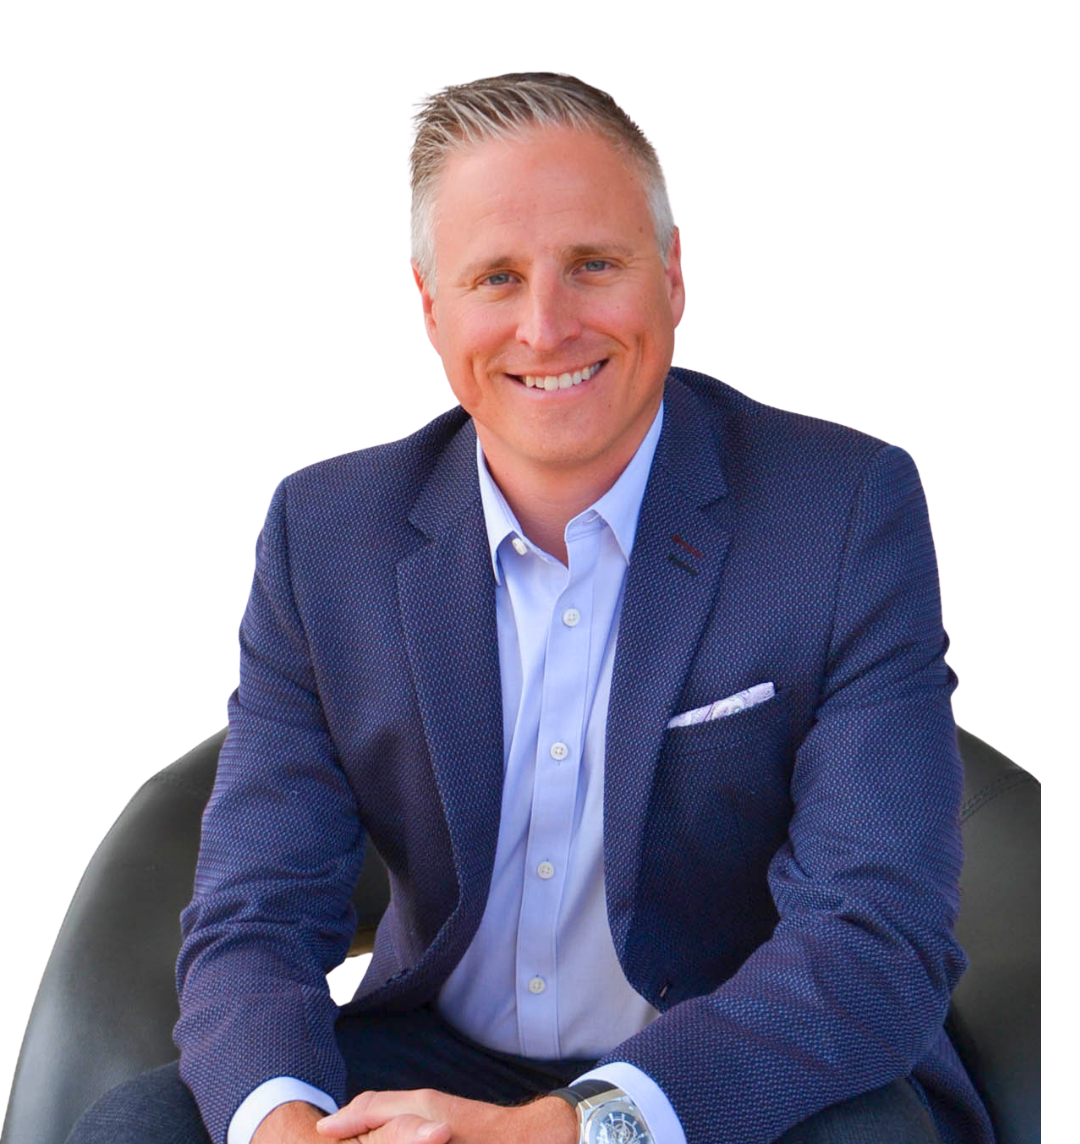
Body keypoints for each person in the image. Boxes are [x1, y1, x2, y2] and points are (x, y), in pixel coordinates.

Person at [69, 71, 996, 1144]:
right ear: (431, 306)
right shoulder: (322, 534)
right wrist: (288, 1129)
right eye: (496, 277)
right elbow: (254, 914)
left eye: (593, 264)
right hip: (432, 1045)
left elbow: (874, 935)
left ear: (673, 274)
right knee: (137, 1130)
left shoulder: (844, 510)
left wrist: (567, 1129)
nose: (546, 327)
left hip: (730, 1067)